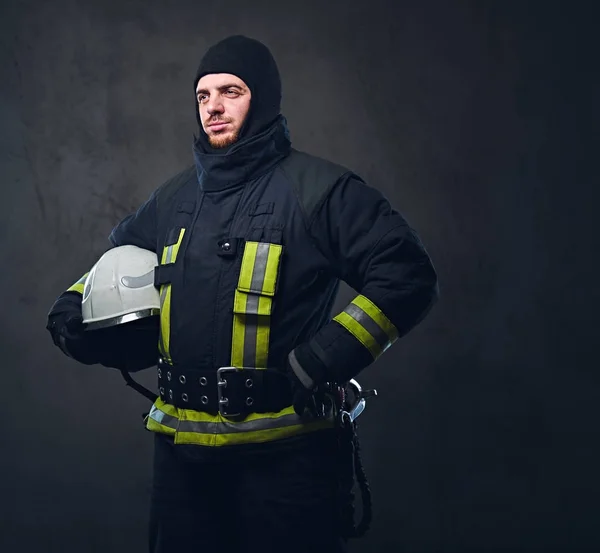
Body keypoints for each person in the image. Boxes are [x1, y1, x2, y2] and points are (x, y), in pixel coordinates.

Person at [46, 35, 439, 553]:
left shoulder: (320, 191)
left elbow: (407, 276)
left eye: (230, 91)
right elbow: (114, 260)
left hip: (287, 469)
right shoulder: (173, 198)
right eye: (203, 96)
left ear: (263, 100)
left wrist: (322, 359)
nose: (213, 108)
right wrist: (72, 310)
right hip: (181, 471)